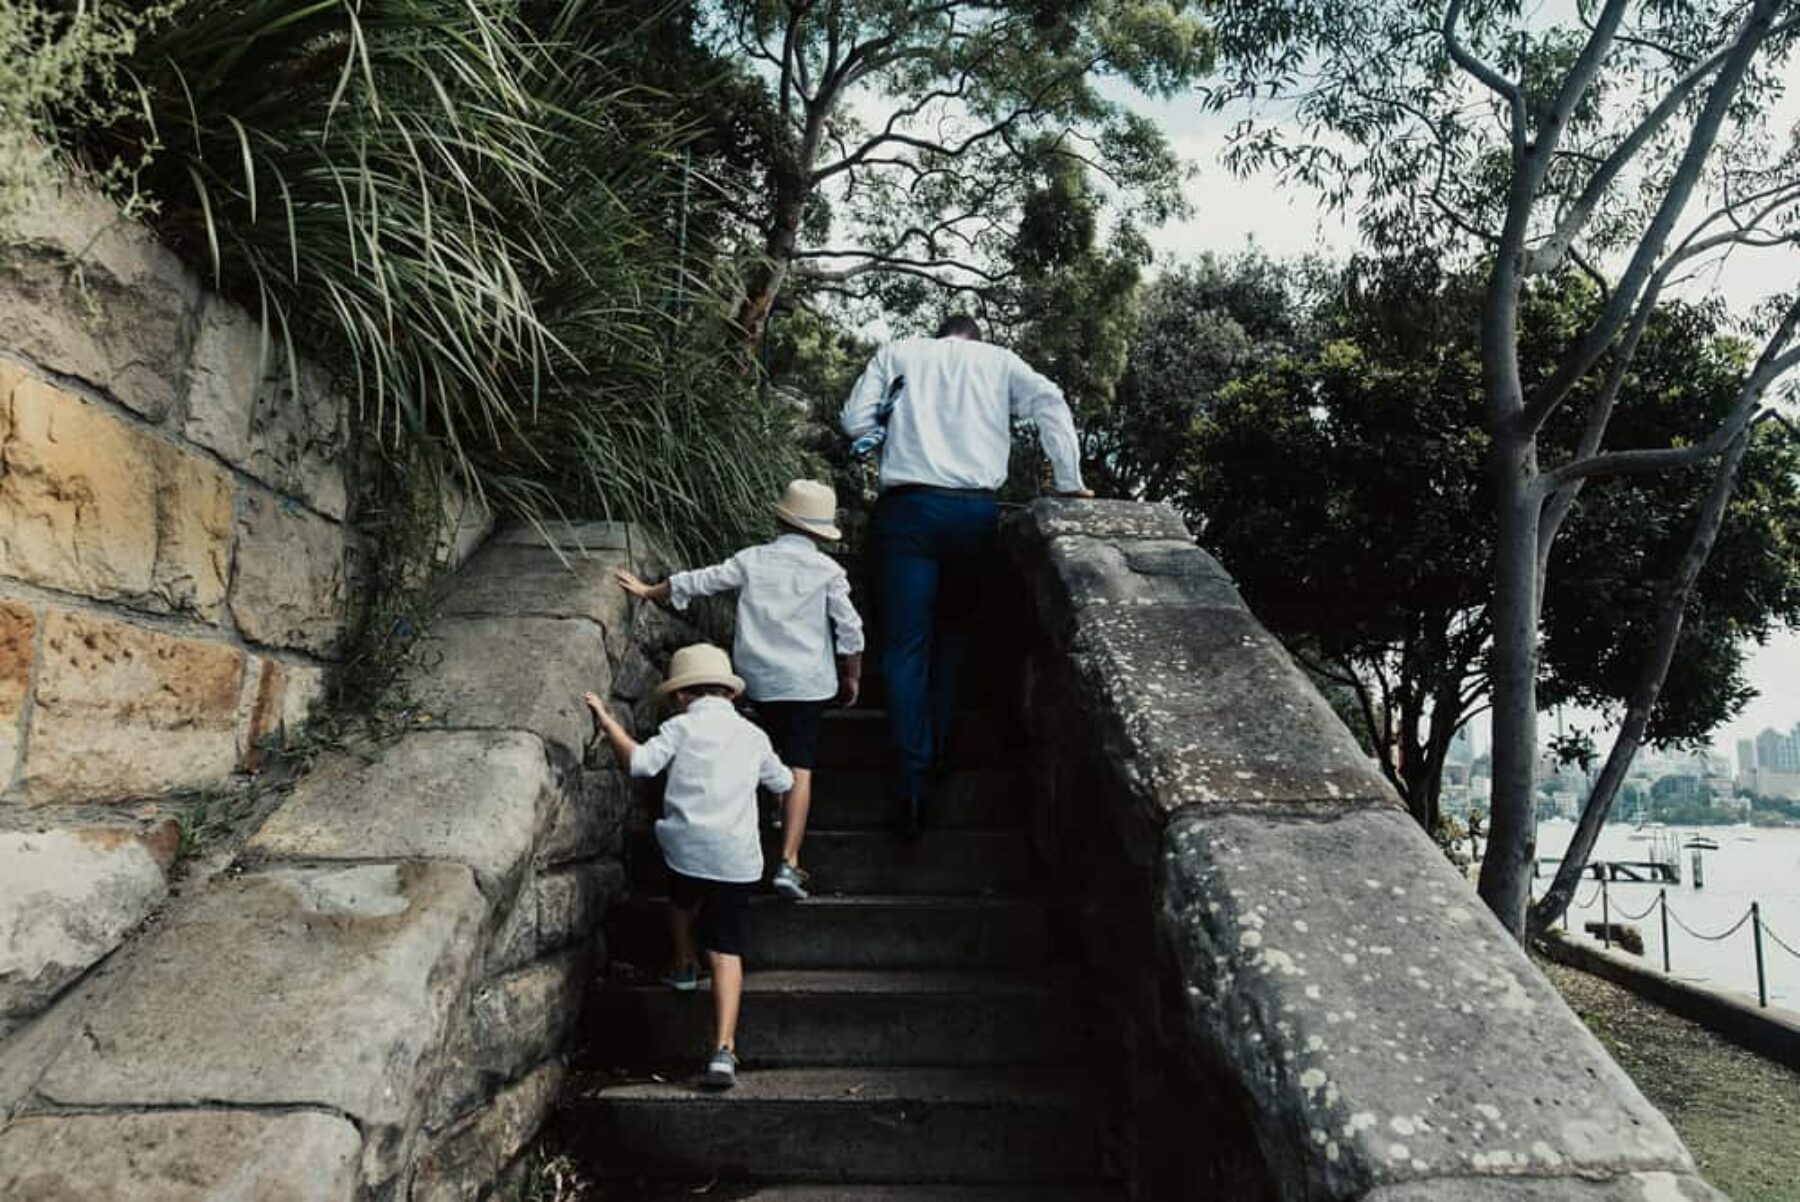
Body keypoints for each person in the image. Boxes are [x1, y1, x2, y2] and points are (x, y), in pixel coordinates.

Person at [840, 315, 1091, 835]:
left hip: (908, 512)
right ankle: (939, 751)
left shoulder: (901, 352)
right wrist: (1067, 479)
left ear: (941, 333)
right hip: (973, 514)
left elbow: (853, 421)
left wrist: (881, 433)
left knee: (905, 647)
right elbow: (1050, 402)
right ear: (975, 337)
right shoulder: (1000, 362)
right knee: (952, 637)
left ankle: (911, 785)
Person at [615, 479, 864, 900]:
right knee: (798, 768)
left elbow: (700, 581)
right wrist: (852, 674)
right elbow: (851, 629)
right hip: (808, 684)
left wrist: (649, 591)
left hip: (759, 680)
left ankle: (770, 814)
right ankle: (788, 861)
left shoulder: (752, 560)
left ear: (780, 519)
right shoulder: (828, 571)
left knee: (764, 744)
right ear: (821, 533)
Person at [584, 643, 792, 1091]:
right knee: (726, 951)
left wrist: (607, 721)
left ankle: (681, 961)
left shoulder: (678, 727)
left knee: (681, 896)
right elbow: (785, 781)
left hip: (687, 850)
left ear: (681, 696)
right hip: (737, 858)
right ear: (730, 695)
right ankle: (723, 1048)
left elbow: (639, 763)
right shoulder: (753, 736)